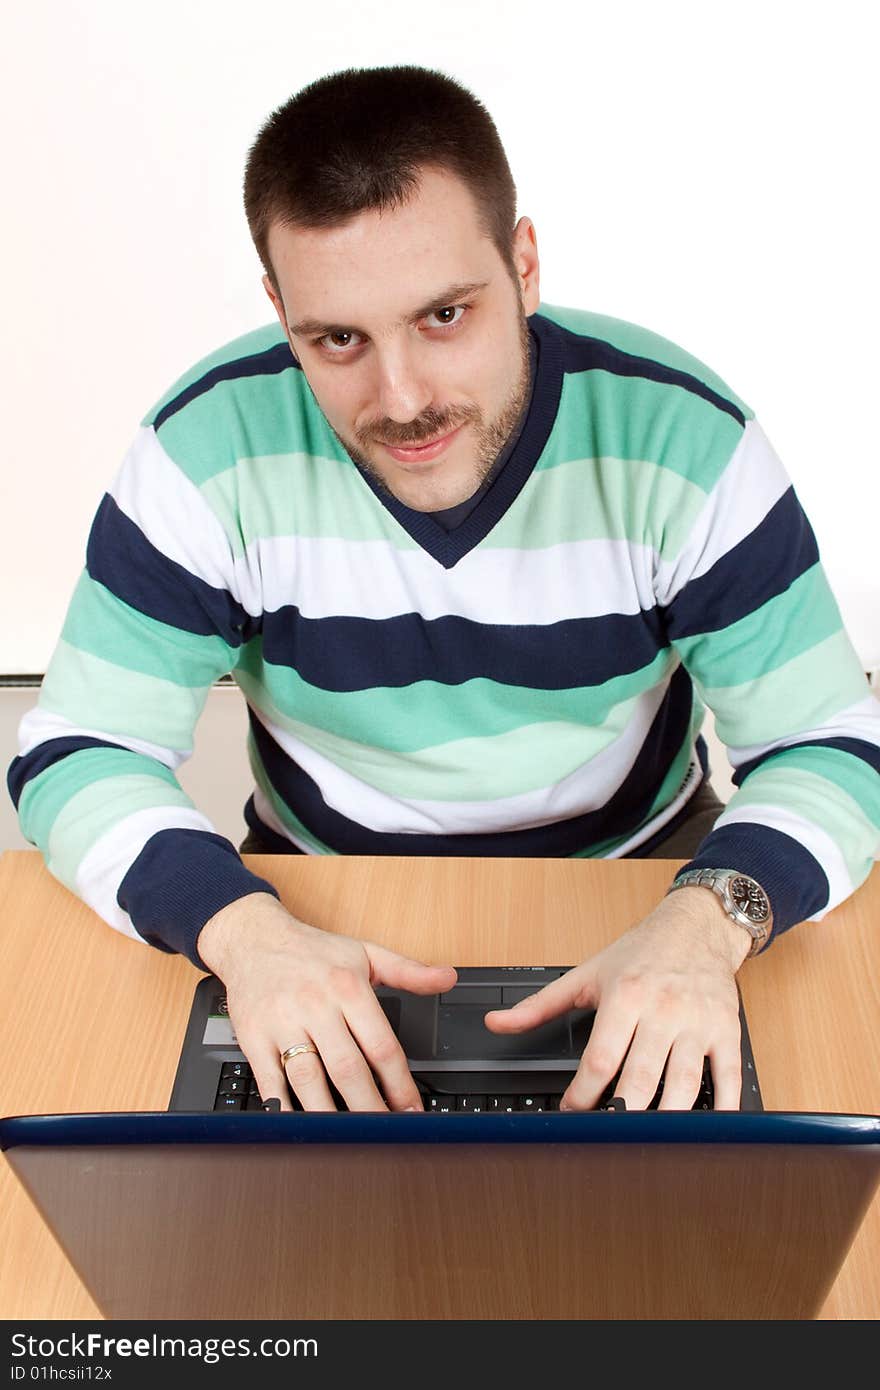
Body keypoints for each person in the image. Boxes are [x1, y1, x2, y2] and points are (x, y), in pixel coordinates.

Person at [8, 65, 880, 1116]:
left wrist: (707, 920)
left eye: (445, 315)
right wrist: (243, 934)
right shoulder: (202, 448)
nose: (402, 398)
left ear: (523, 265)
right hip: (310, 897)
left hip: (648, 878)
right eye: (338, 339)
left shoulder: (682, 436)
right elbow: (75, 751)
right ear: (279, 310)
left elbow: (832, 743)